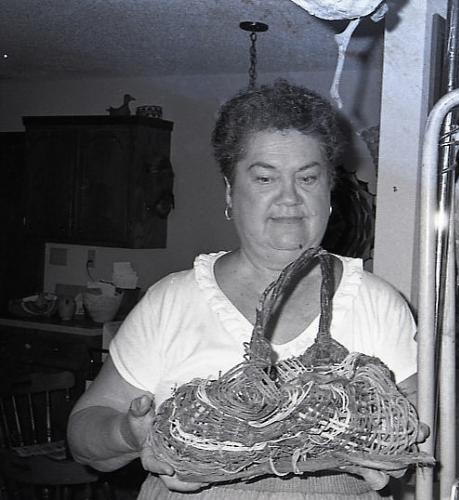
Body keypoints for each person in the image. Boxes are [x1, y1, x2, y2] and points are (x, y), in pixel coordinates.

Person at [67, 80, 424, 500]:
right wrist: (130, 433)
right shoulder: (172, 300)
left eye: (308, 177)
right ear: (230, 193)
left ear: (330, 193)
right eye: (265, 178)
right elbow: (82, 435)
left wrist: (397, 446)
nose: (290, 198)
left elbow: (418, 431)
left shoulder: (378, 302)